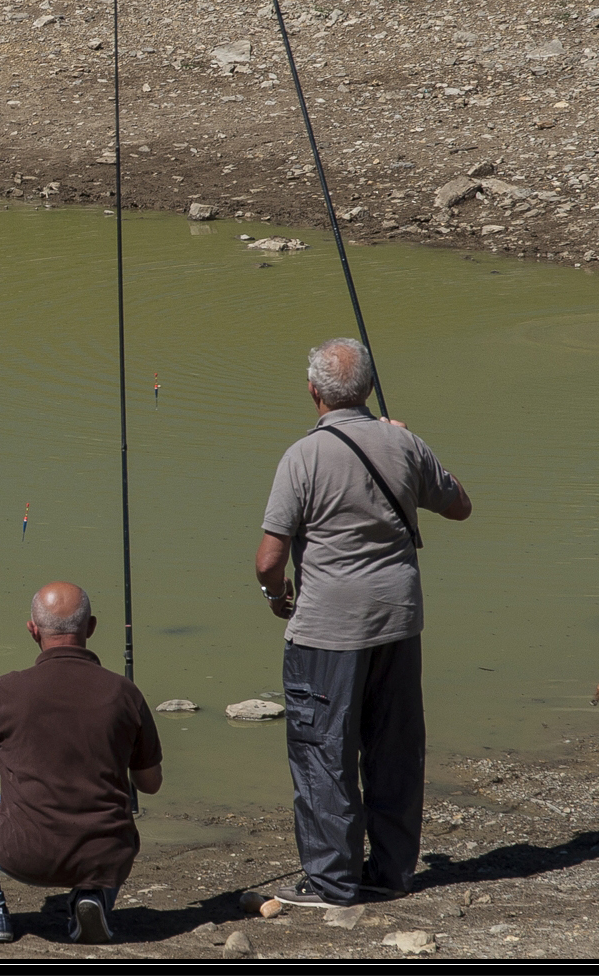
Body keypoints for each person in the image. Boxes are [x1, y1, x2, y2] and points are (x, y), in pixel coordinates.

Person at [256, 337, 472, 909]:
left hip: (327, 630)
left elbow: (269, 559)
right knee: (394, 747)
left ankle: (331, 881)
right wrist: (408, 443)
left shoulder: (303, 456)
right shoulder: (405, 443)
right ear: (369, 388)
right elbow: (459, 505)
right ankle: (392, 871)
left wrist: (275, 595)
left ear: (313, 391)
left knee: (322, 750)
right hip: (398, 621)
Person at [0, 581, 162, 945]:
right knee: (110, 832)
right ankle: (93, 896)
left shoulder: (10, 691)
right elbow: (150, 783)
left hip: (27, 854)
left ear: (33, 629)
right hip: (108, 855)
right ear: (91, 627)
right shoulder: (125, 693)